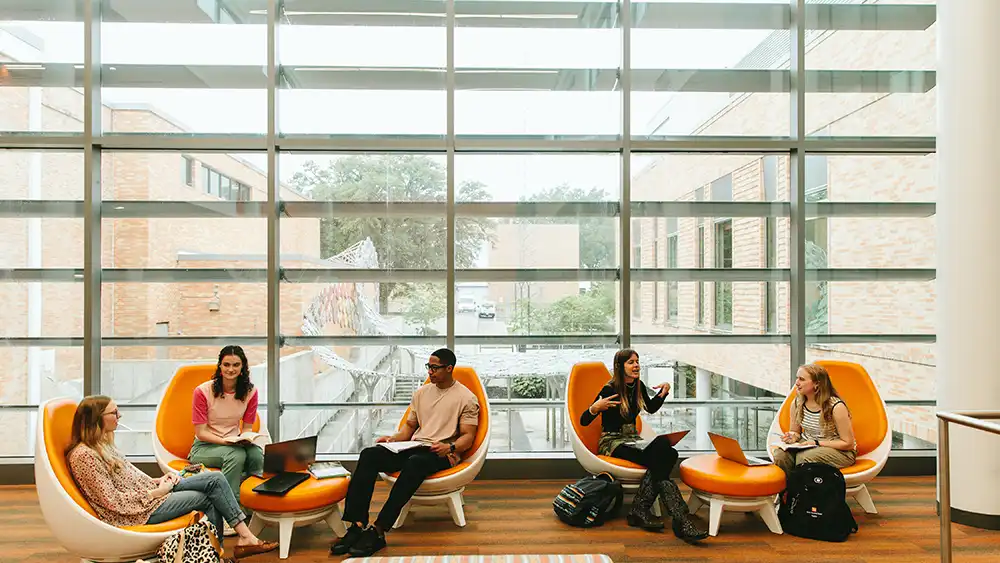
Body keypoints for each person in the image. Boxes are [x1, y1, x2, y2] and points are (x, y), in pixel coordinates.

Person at [66, 395, 278, 559]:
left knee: (214, 480)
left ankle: (230, 546)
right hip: (137, 511)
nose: (119, 416)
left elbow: (129, 478)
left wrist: (158, 481)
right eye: (114, 413)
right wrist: (156, 492)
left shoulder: (102, 446)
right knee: (209, 492)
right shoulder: (85, 456)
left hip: (149, 496)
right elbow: (112, 501)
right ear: (97, 419)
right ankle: (230, 547)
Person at [331, 348, 479, 558]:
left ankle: (379, 530)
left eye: (435, 368)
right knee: (369, 455)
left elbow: (468, 436)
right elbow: (409, 428)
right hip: (415, 446)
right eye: (429, 367)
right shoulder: (421, 393)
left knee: (415, 463)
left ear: (449, 368)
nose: (430, 372)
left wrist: (451, 447)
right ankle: (356, 524)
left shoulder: (466, 398)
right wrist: (392, 440)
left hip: (442, 452)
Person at [580, 349, 708, 542]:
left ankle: (643, 510)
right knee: (667, 455)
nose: (636, 365)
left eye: (637, 361)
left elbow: (651, 407)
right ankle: (677, 519)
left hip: (633, 439)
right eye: (631, 362)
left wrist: (662, 394)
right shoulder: (610, 389)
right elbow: (583, 420)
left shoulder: (638, 386)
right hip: (612, 441)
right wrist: (594, 408)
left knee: (669, 453)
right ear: (620, 367)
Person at [188, 345, 264, 510]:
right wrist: (226, 442)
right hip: (204, 447)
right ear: (220, 366)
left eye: (236, 365)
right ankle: (230, 511)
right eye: (226, 364)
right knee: (235, 456)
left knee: (256, 454)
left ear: (243, 367)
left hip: (233, 442)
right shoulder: (202, 391)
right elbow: (200, 433)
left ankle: (255, 502)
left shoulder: (251, 392)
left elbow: (247, 428)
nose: (231, 369)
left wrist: (244, 439)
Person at [772, 363, 857, 475]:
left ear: (817, 384)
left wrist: (816, 442)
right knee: (780, 455)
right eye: (797, 378)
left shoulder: (836, 407)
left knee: (804, 458)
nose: (797, 383)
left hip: (841, 451)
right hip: (808, 445)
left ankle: (801, 491)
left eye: (802, 379)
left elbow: (848, 443)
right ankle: (789, 491)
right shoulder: (797, 403)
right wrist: (792, 437)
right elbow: (795, 432)